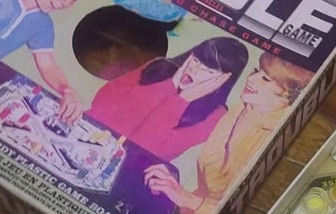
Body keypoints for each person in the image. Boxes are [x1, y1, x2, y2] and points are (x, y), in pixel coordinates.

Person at [144, 52, 312, 214]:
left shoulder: (275, 135)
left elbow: (232, 208)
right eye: (256, 70)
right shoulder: (245, 106)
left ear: (288, 94)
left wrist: (184, 198)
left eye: (265, 79)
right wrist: (173, 183)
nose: (251, 79)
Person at [86, 37, 249, 161]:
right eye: (196, 60)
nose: (194, 70)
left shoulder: (216, 116)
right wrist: (167, 87)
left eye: (209, 71)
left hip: (124, 163)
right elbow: (100, 104)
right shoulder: (160, 67)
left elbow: (143, 148)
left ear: (224, 79)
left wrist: (181, 100)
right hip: (87, 133)